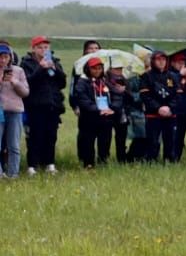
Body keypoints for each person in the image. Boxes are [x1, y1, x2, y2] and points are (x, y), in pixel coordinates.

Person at [20, 36, 65, 174]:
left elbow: (62, 83)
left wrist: (55, 69)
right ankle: (32, 166)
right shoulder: (26, 63)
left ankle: (50, 164)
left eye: (46, 47)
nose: (43, 50)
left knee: (51, 136)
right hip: (35, 105)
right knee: (35, 136)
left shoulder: (55, 62)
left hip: (52, 105)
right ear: (33, 48)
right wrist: (40, 68)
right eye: (40, 47)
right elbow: (28, 82)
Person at [71, 55, 117, 169]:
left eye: (99, 68)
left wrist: (112, 108)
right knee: (88, 143)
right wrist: (97, 109)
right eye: (94, 68)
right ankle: (88, 164)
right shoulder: (82, 82)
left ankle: (103, 163)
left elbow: (115, 96)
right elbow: (82, 99)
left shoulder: (105, 81)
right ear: (88, 69)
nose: (97, 71)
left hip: (106, 117)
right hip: (89, 118)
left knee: (105, 142)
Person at [140, 50, 183, 162]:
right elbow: (145, 95)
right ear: (153, 61)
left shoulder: (173, 76)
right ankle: (151, 162)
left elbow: (178, 94)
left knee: (170, 140)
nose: (161, 62)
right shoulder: (146, 77)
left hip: (170, 115)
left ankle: (169, 161)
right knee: (153, 141)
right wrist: (158, 108)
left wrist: (169, 107)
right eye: (158, 59)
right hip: (153, 115)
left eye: (163, 59)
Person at [0, 42, 29, 179]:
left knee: (14, 145)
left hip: (15, 111)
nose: (2, 60)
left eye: (5, 56)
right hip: (0, 111)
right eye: (0, 57)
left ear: (10, 57)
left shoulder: (18, 71)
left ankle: (13, 173)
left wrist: (14, 82)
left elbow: (25, 92)